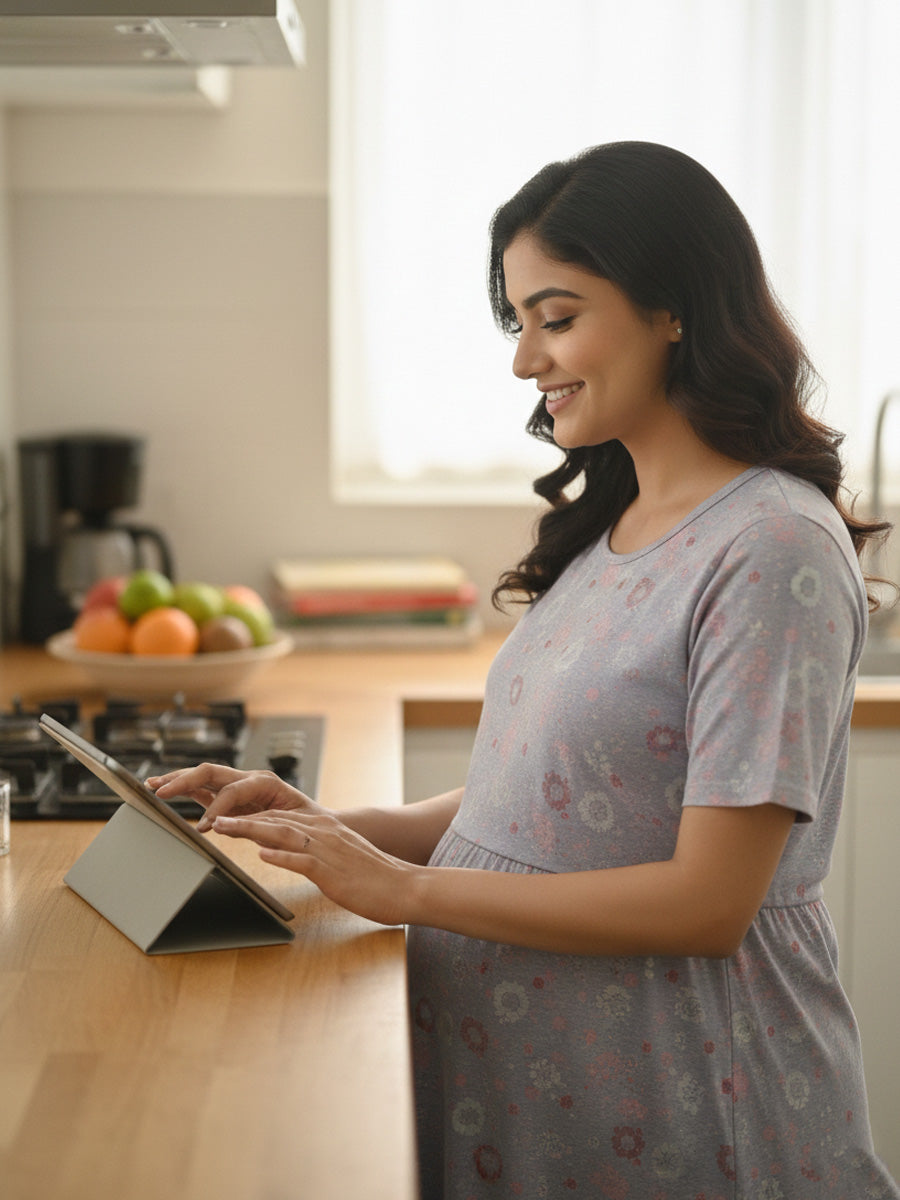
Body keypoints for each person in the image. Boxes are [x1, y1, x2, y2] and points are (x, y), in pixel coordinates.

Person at [150, 142, 900, 1198]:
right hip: (540, 1103)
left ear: (673, 308)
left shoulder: (771, 547)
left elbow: (707, 902)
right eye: (520, 323)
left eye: (557, 317)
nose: (525, 360)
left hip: (688, 1107)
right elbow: (553, 795)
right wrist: (329, 827)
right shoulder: (621, 519)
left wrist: (405, 889)